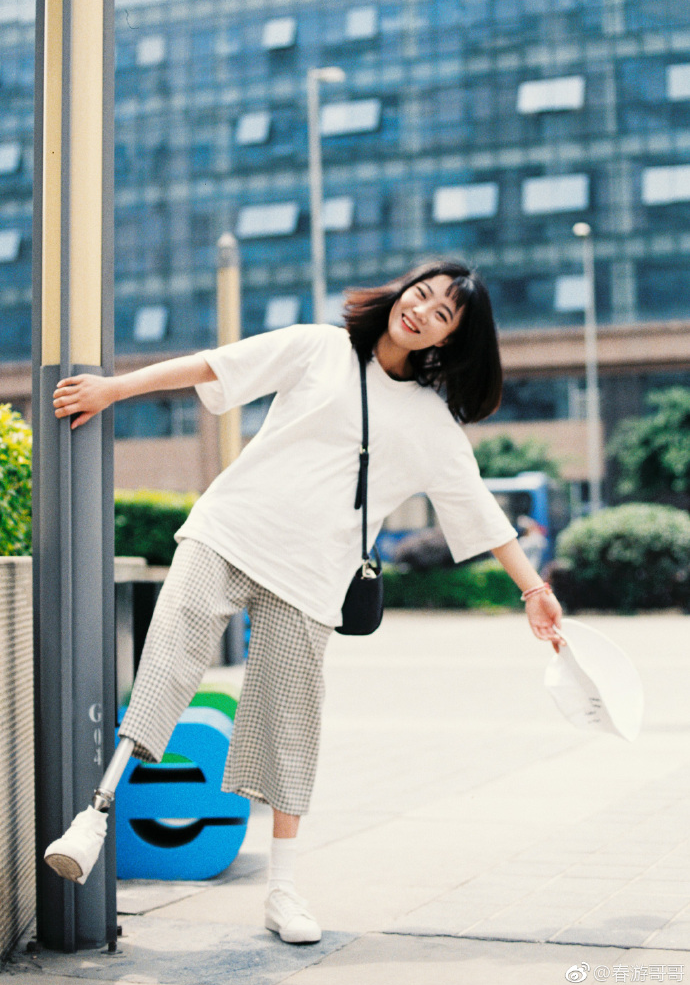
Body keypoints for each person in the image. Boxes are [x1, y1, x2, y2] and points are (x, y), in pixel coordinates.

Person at [44, 260, 565, 944]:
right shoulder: (319, 347)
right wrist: (115, 389)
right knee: (169, 655)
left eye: (443, 315)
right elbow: (214, 365)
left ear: (447, 341)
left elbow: (480, 511)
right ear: (403, 290)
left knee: (289, 724)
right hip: (229, 531)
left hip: (312, 578)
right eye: (423, 294)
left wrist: (533, 588)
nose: (423, 311)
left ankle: (282, 891)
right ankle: (96, 815)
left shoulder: (430, 422)